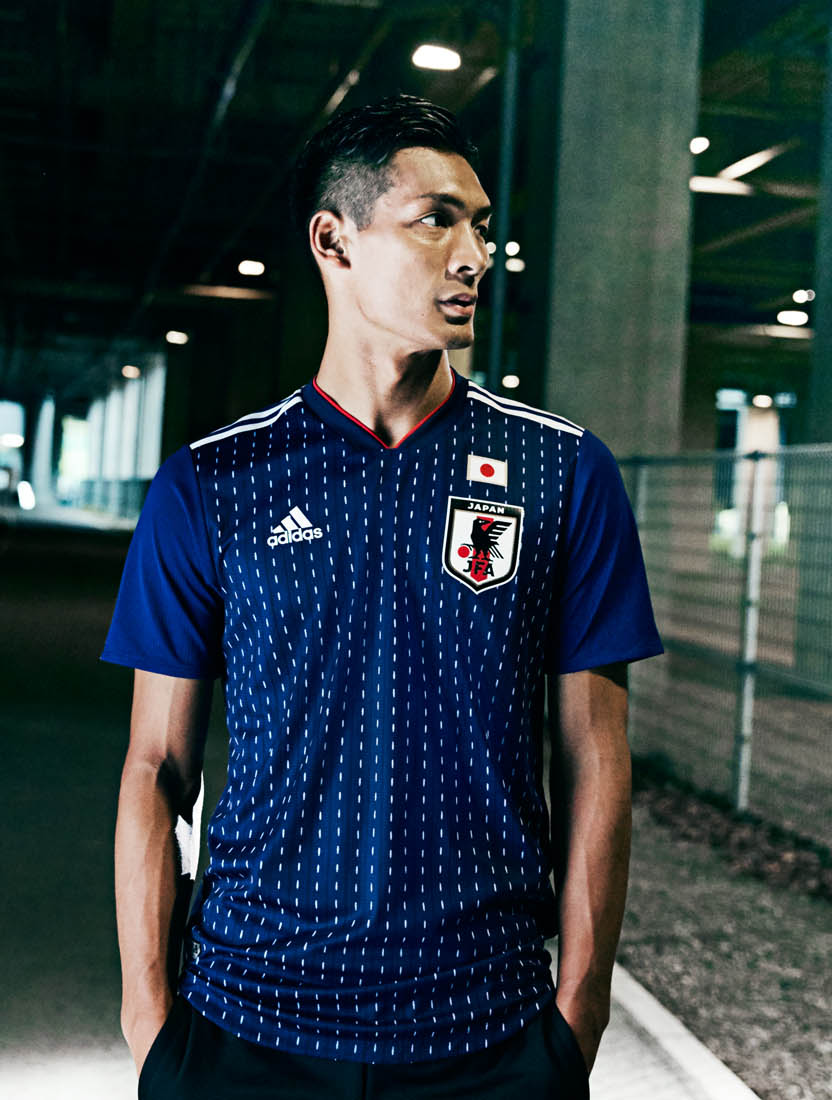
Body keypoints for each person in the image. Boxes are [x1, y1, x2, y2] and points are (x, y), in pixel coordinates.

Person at [103, 93, 663, 1099]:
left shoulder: (563, 472)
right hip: (245, 1024)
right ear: (335, 240)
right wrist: (150, 1020)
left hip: (487, 1033)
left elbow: (595, 756)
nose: (474, 256)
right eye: (435, 220)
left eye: (481, 226)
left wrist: (578, 1013)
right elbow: (158, 764)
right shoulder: (212, 483)